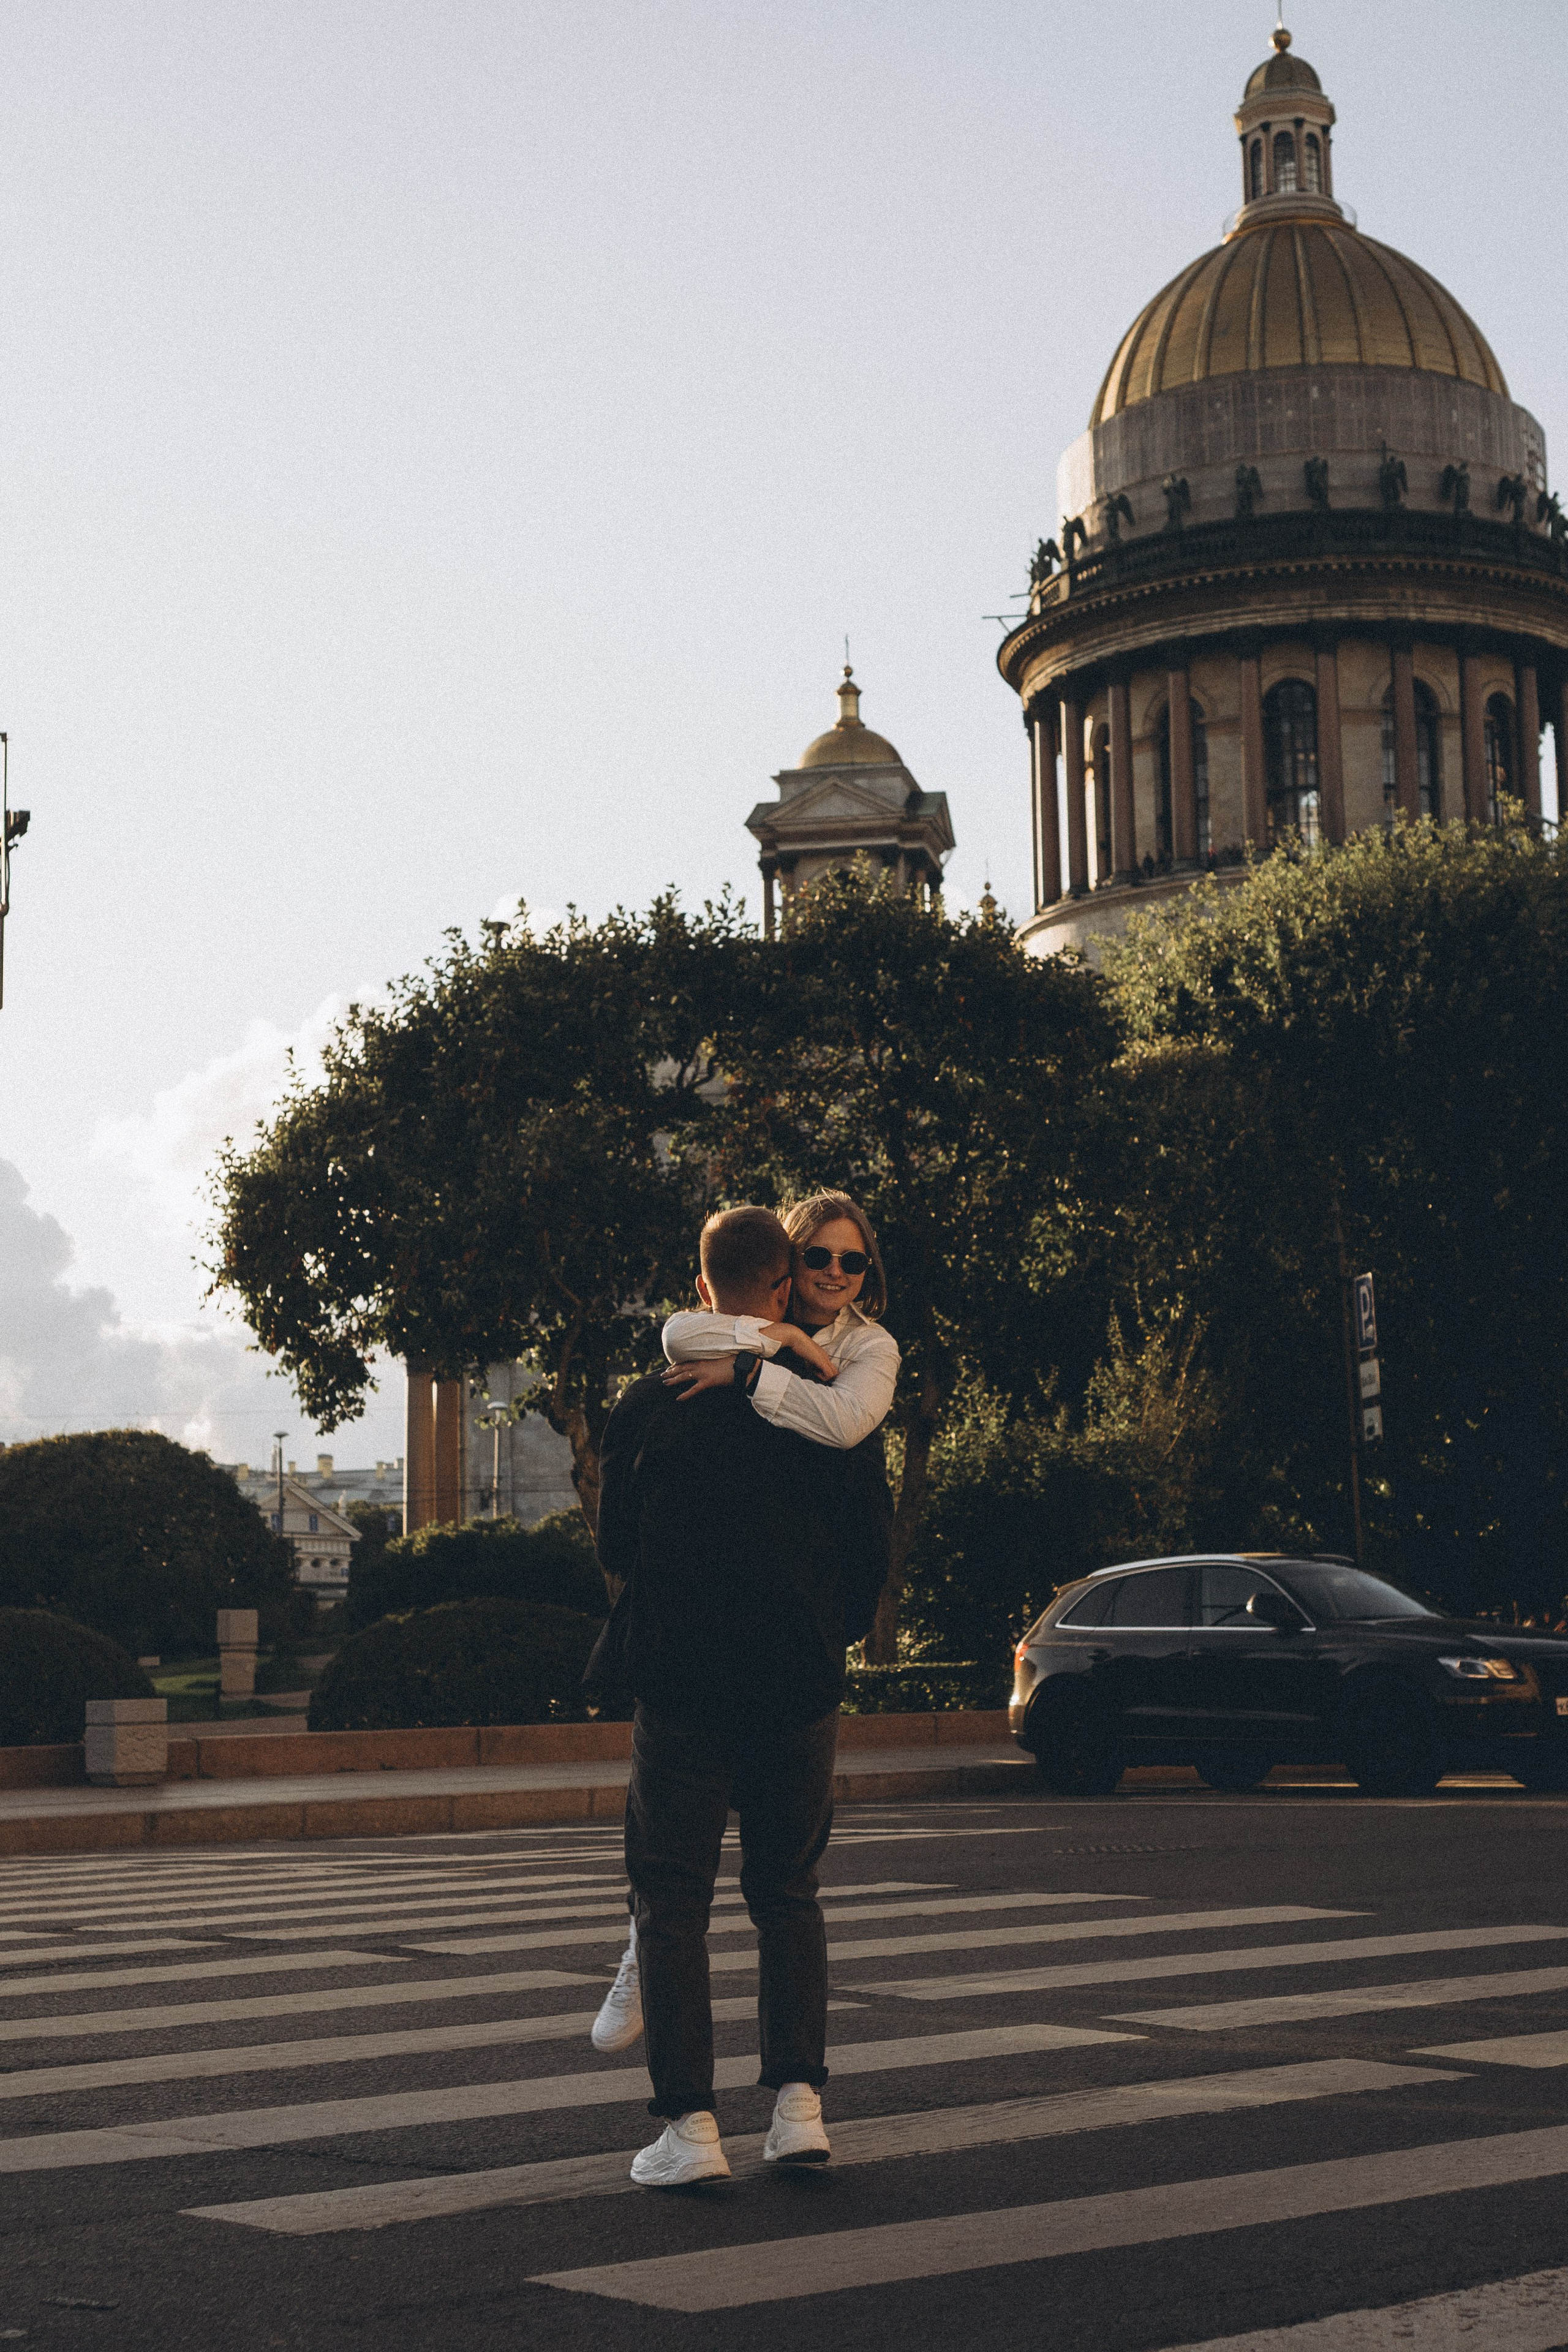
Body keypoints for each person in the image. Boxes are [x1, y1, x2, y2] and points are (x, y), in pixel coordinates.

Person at [590, 1200, 894, 2187]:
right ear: (785, 1285)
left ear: (700, 1283)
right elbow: (871, 1550)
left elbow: (614, 1547)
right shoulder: (830, 1391)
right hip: (796, 1684)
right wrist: (820, 1635)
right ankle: (799, 2109)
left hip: (681, 1687)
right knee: (787, 1895)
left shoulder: (650, 1402)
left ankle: (688, 2130)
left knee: (671, 1903)